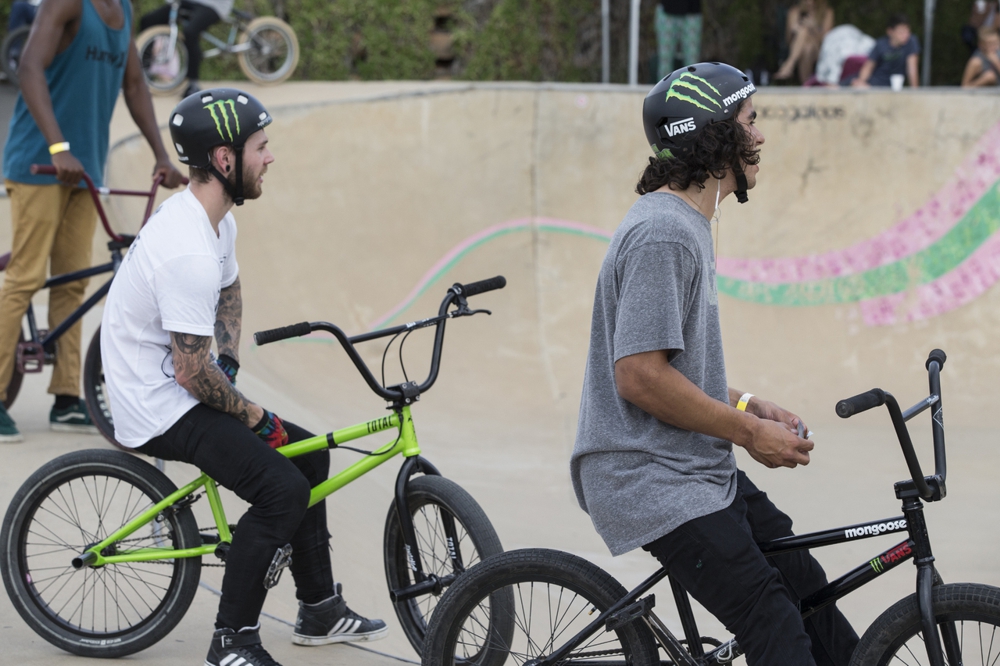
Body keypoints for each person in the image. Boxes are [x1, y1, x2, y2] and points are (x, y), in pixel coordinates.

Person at [571, 62, 860, 665]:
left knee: (811, 592)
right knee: (773, 618)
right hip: (648, 478)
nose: (760, 136)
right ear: (715, 135)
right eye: (750, 121)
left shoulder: (687, 223)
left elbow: (674, 367)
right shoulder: (664, 233)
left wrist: (749, 405)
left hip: (694, 469)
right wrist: (750, 433)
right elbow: (640, 375)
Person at [100, 88, 387, 666]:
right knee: (281, 490)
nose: (270, 157)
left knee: (307, 454)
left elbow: (228, 290)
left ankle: (319, 608)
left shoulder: (213, 222)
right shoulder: (187, 251)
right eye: (261, 146)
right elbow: (187, 372)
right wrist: (254, 415)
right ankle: (231, 642)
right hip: (154, 401)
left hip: (178, 381)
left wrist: (227, 357)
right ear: (225, 160)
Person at [0, 0, 184, 443]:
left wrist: (162, 155)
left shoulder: (124, 10)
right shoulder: (67, 3)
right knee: (24, 277)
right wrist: (58, 147)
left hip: (86, 170)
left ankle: (66, 396)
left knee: (73, 281)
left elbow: (136, 85)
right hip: (40, 163)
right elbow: (28, 68)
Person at [139, 0, 230, 97]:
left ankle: (192, 83)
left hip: (213, 5)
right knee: (148, 21)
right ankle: (143, 73)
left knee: (190, 32)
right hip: (188, 2)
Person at [851, 14, 920, 88]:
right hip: (874, 85)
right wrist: (861, 82)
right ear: (890, 31)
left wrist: (915, 92)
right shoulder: (881, 44)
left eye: (907, 31)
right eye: (901, 32)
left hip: (894, 87)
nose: (905, 35)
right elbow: (868, 66)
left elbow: (912, 70)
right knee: (849, 84)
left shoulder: (911, 42)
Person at [775, 0, 834, 83]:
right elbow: (788, 40)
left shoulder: (827, 13)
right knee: (806, 45)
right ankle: (806, 85)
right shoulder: (795, 12)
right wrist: (794, 31)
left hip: (819, 50)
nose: (809, 2)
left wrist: (814, 28)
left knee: (805, 30)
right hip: (799, 49)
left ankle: (789, 64)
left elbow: (827, 41)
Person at [655, 0, 702, 80]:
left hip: (692, 11)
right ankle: (663, 91)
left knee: (692, 62)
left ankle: (692, 90)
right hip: (667, 11)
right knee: (665, 61)